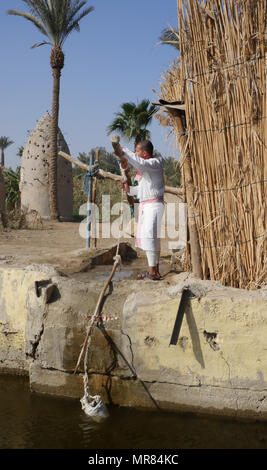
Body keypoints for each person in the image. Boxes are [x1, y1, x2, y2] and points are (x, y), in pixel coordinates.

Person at [114, 140, 165, 280]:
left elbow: (139, 162)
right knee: (152, 238)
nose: (135, 153)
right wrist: (128, 189)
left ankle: (153, 272)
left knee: (150, 237)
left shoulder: (155, 163)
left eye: (137, 151)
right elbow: (140, 191)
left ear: (144, 153)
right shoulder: (144, 171)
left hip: (153, 206)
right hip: (147, 206)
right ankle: (154, 271)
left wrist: (123, 151)